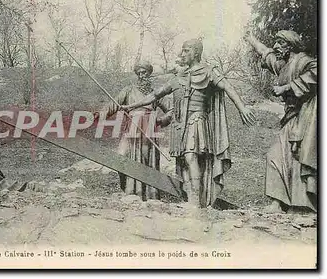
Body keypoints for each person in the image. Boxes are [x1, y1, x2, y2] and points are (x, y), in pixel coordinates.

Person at [120, 39, 256, 208]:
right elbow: (154, 95)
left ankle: (196, 200)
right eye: (182, 51)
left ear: (196, 53)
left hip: (196, 120)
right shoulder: (178, 78)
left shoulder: (208, 71)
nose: (182, 54)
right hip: (179, 124)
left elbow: (227, 87)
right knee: (182, 162)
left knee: (191, 157)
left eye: (186, 51)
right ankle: (190, 196)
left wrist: (242, 108)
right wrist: (130, 106)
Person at [244, 30, 317, 213]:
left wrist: (286, 87)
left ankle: (303, 206)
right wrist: (252, 39)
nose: (275, 47)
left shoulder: (304, 61)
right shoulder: (283, 65)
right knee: (275, 155)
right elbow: (266, 53)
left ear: (289, 45)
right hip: (290, 118)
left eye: (279, 43)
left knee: (299, 159)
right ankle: (277, 201)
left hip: (306, 118)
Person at [95, 62, 172, 200]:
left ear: (149, 74)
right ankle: (129, 189)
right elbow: (113, 104)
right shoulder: (128, 90)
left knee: (146, 159)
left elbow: (171, 111)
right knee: (121, 155)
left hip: (149, 126)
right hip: (132, 126)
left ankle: (148, 194)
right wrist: (99, 114)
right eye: (139, 73)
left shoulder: (156, 93)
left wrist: (160, 120)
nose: (142, 75)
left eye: (145, 72)